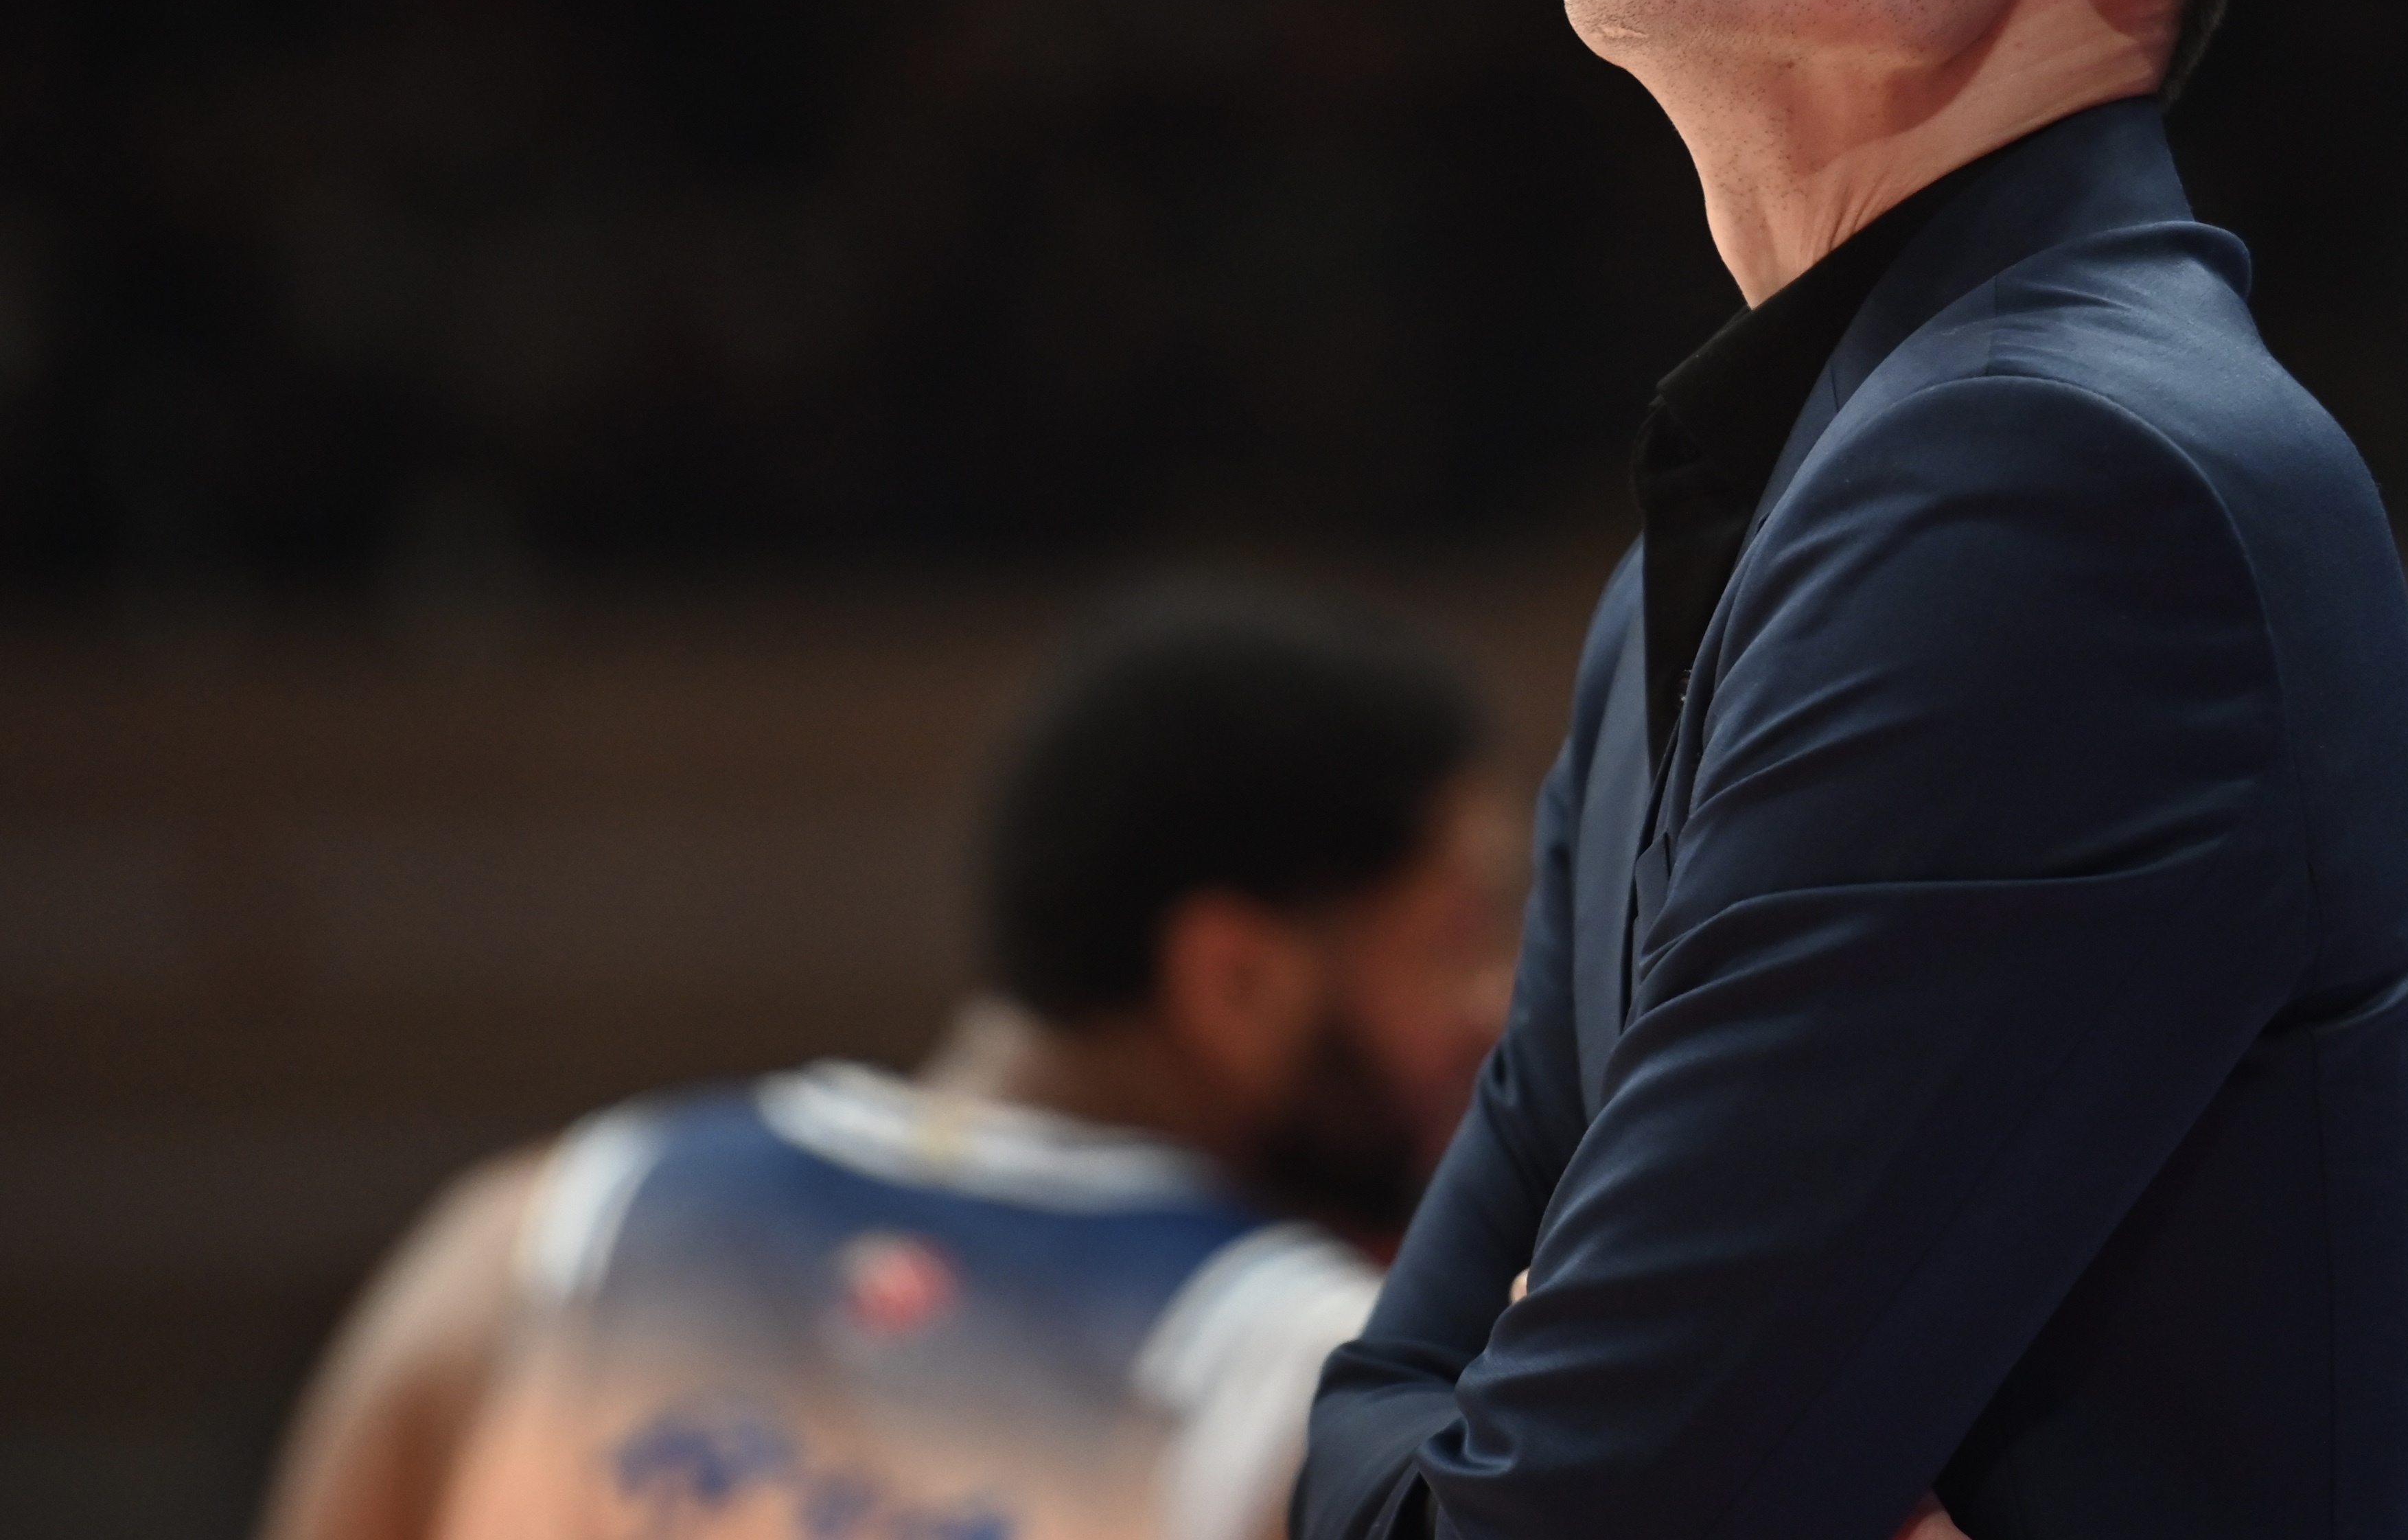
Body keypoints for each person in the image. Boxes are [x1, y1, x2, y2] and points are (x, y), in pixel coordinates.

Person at [1300, 0, 2408, 1540]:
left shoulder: (2063, 489)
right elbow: (1398, 1415)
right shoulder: (1729, 556)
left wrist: (1472, 1427)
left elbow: (1505, 1508)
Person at [259, 579, 1520, 1540]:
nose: (1493, 1010)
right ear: (1232, 976)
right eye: (1451, 942)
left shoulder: (538, 1235)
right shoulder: (1311, 1377)